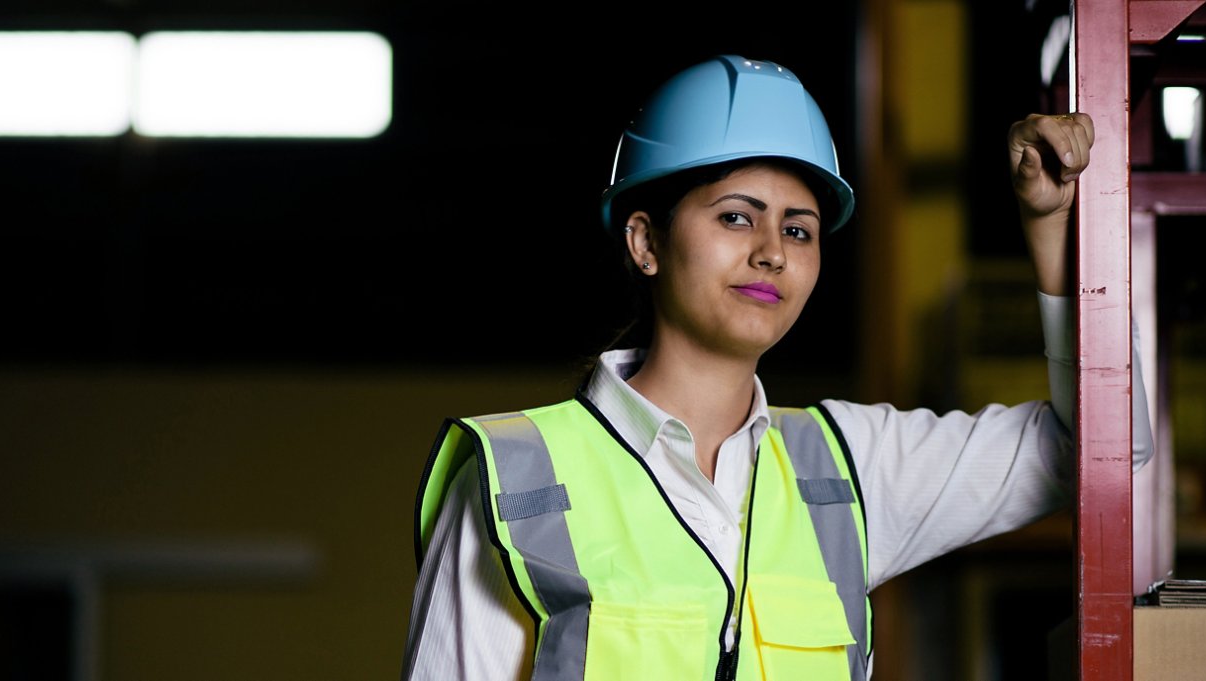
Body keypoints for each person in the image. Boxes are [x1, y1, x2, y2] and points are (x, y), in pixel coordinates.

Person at [401, 55, 1151, 680]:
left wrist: (1054, 232)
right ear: (645, 241)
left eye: (800, 228)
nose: (772, 250)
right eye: (736, 214)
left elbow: (1101, 449)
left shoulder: (851, 471)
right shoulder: (518, 478)